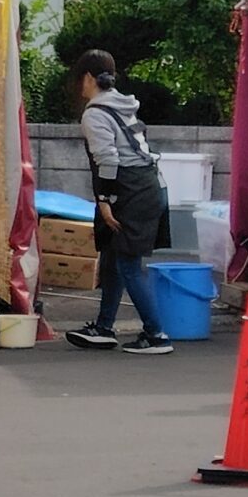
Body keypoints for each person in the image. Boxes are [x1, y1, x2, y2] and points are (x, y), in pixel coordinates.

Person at [64, 49, 174, 355]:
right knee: (113, 257)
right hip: (148, 185)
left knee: (128, 264)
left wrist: (105, 199)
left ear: (88, 78)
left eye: (80, 79)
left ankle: (156, 334)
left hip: (130, 191)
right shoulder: (122, 104)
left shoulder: (95, 113)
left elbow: (108, 159)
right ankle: (104, 328)